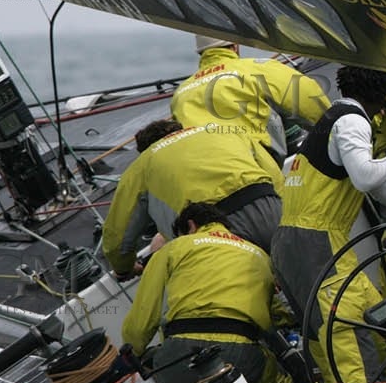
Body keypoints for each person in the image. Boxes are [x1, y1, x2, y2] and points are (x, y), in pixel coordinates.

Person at [272, 67, 386, 383]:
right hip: (315, 242)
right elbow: (366, 177)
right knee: (342, 329)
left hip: (298, 243)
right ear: (381, 97)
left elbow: (376, 185)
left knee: (372, 314)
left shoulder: (330, 121)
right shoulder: (353, 121)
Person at [122, 201, 289, 383]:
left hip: (178, 358)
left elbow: (143, 316)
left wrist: (133, 352)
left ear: (191, 225)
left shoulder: (174, 248)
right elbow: (280, 314)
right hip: (241, 356)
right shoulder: (258, 254)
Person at [101, 118, 283, 279]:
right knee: (295, 279)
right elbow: (275, 174)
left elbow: (117, 233)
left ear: (144, 149)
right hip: (270, 208)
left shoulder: (141, 166)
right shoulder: (224, 131)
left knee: (246, 295)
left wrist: (124, 268)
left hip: (215, 236)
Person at [169, 36, 329, 159]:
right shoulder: (260, 68)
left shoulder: (181, 93)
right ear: (235, 46)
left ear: (201, 53)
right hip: (254, 172)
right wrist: (333, 129)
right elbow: (311, 103)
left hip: (203, 176)